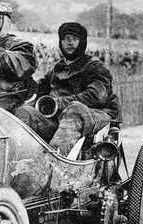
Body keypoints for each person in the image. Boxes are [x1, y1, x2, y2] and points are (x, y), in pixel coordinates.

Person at [16, 22, 120, 156]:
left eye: (74, 39)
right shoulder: (56, 68)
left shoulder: (95, 67)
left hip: (93, 115)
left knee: (75, 109)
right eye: (65, 39)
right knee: (24, 112)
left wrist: (59, 103)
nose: (69, 43)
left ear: (82, 42)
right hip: (59, 120)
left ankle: (53, 163)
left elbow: (97, 96)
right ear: (61, 42)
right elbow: (39, 91)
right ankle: (22, 160)